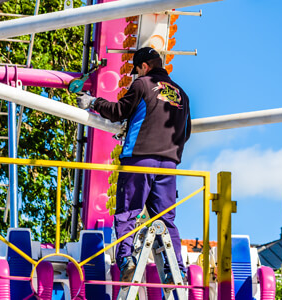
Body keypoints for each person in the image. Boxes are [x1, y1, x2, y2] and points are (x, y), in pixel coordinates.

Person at [76, 47, 191, 283]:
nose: (136, 76)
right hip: (169, 164)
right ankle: (176, 269)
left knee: (128, 211)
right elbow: (186, 132)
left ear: (144, 67)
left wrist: (93, 102)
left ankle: (126, 260)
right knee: (166, 219)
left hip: (139, 158)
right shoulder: (182, 94)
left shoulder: (143, 84)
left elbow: (119, 112)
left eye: (137, 70)